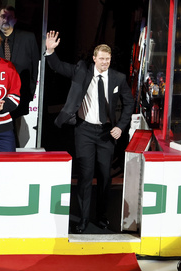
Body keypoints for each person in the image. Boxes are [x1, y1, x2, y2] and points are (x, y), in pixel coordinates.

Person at [45, 31, 135, 233]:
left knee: (104, 176)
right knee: (85, 175)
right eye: (101, 59)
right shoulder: (81, 71)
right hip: (84, 130)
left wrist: (120, 126)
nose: (105, 62)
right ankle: (84, 219)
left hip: (106, 132)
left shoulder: (118, 78)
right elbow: (58, 67)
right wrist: (50, 50)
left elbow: (129, 103)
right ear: (94, 59)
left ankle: (101, 216)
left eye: (108, 59)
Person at [0, 6, 39, 146]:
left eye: (9, 17)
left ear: (15, 20)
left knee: (15, 134)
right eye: (3, 16)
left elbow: (34, 68)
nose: (5, 20)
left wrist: (30, 93)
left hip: (20, 94)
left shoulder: (28, 37)